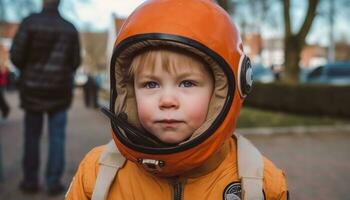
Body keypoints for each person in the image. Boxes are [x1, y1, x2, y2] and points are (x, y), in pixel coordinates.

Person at [66, 0, 289, 199]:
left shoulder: (261, 184)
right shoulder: (97, 174)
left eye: (187, 83)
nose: (167, 100)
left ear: (222, 93)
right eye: (151, 84)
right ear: (128, 93)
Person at [10, 0, 81, 195]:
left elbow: (16, 56)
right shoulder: (70, 28)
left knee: (32, 137)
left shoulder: (29, 23)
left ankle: (30, 181)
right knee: (57, 138)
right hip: (60, 92)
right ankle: (53, 182)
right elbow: (75, 61)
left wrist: (30, 69)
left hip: (32, 90)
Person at [0, 44, 10, 119]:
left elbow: (4, 66)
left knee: (1, 96)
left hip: (1, 78)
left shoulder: (3, 50)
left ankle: (5, 109)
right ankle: (5, 109)